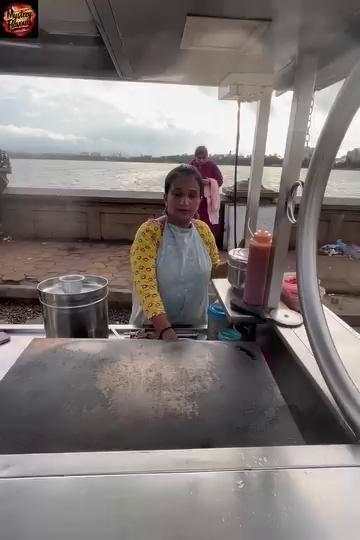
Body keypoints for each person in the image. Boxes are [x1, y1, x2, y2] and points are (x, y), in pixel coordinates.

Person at [130, 164, 226, 340]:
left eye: (192, 195)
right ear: (165, 197)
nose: (185, 202)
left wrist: (239, 264)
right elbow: (147, 288)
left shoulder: (203, 231)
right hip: (153, 332)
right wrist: (166, 331)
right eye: (177, 194)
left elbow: (214, 272)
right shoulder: (149, 233)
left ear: (200, 200)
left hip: (195, 330)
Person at [190, 145, 223, 237]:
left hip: (207, 202)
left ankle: (208, 241)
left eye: (204, 158)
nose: (201, 160)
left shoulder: (212, 166)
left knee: (208, 223)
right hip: (194, 199)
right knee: (194, 222)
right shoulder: (191, 165)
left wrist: (209, 182)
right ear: (195, 157)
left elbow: (220, 181)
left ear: (207, 157)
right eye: (199, 158)